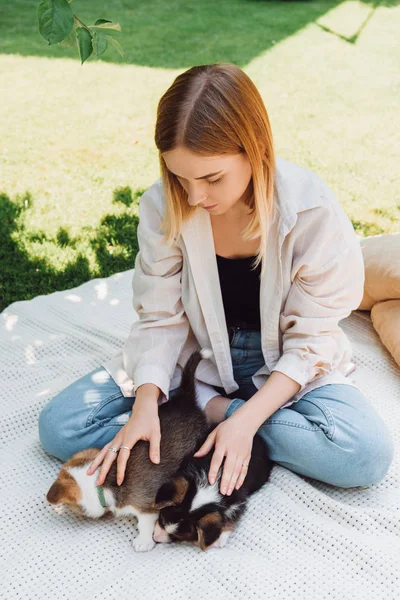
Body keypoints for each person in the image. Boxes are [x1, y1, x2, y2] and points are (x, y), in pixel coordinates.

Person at [38, 63, 394, 498]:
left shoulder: (311, 213)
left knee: (361, 454)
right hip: (194, 359)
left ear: (255, 149)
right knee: (61, 426)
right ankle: (208, 418)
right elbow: (160, 317)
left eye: (211, 178)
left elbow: (311, 341)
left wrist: (245, 420)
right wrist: (147, 402)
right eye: (179, 177)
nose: (194, 197)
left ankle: (204, 422)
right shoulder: (163, 205)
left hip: (283, 365)